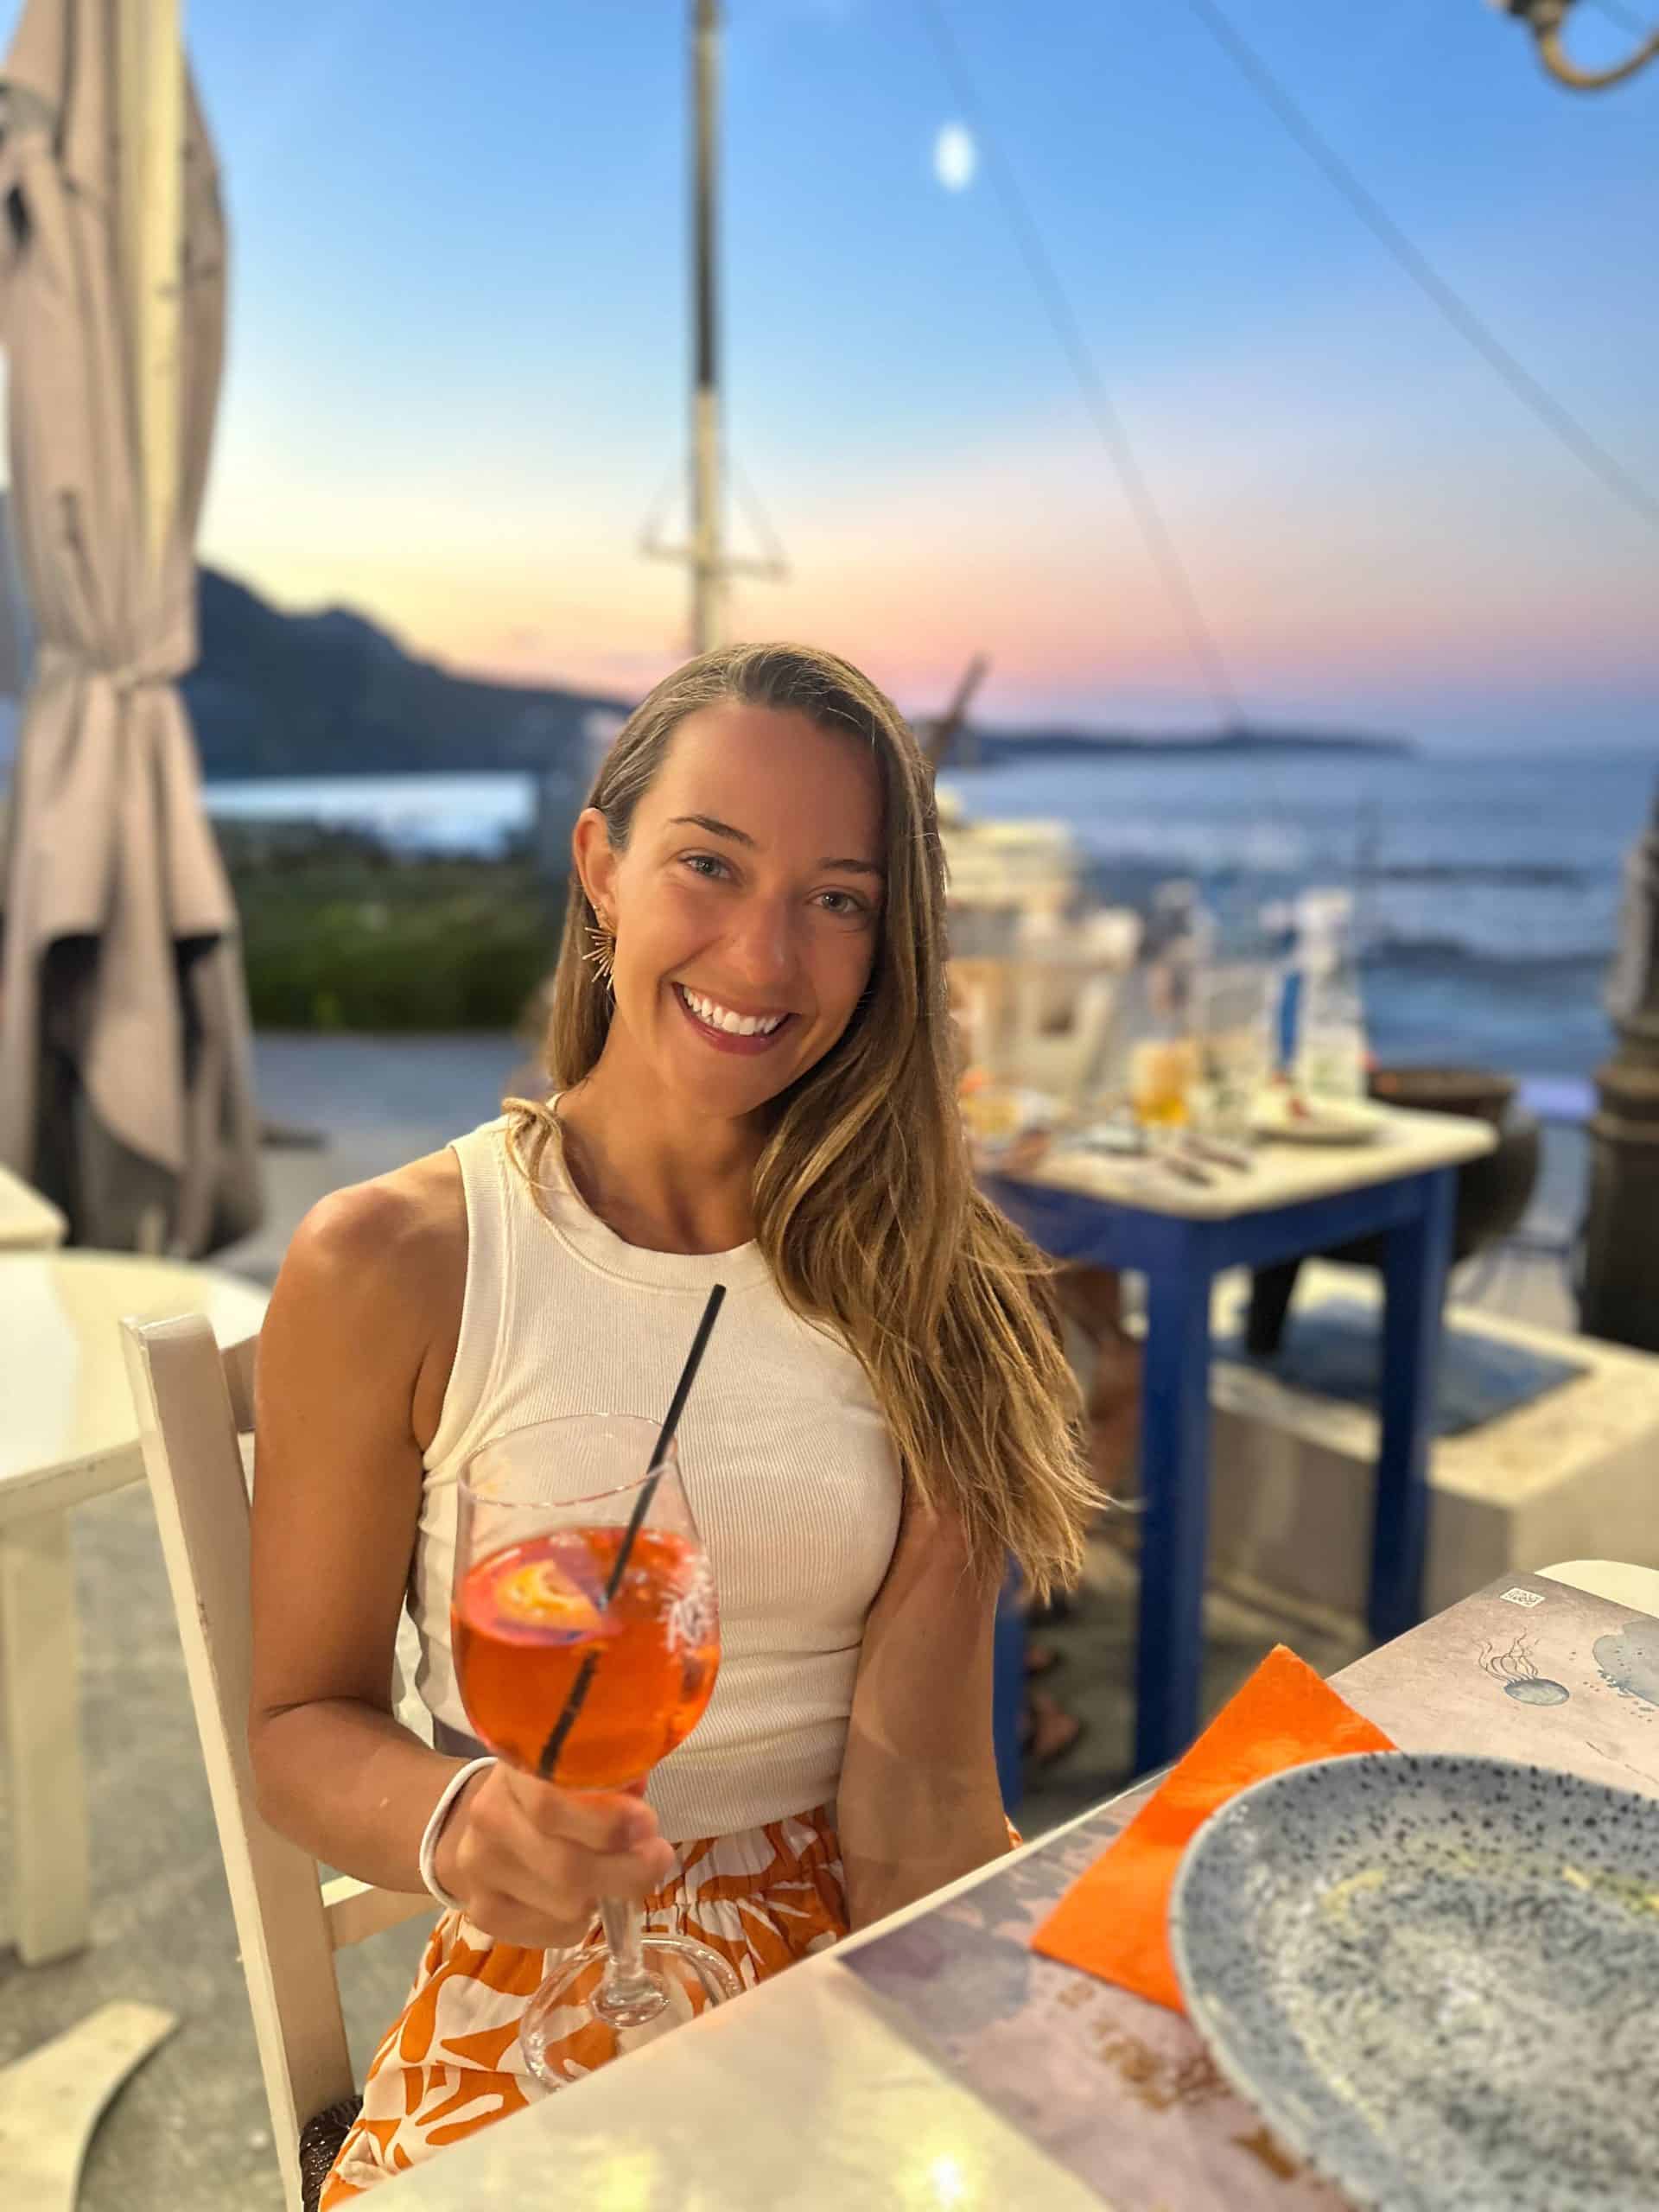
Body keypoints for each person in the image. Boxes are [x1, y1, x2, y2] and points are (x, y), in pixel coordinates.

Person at [249, 642, 1099, 2200]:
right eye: (709, 865)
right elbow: (295, 1728)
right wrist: (457, 1822)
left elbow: (917, 1800)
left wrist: (1026, 2059)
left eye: (839, 897)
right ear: (602, 872)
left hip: (860, 1933)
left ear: (888, 943)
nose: (764, 957)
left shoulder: (928, 1279)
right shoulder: (393, 1263)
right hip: (550, 1957)